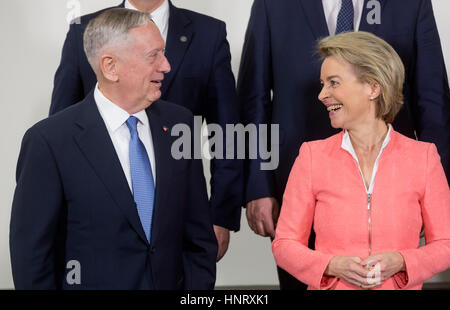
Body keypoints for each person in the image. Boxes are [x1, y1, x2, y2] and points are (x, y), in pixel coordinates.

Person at [238, 0, 450, 289]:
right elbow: (253, 99)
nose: (322, 94)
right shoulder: (272, 5)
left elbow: (433, 100)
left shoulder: (412, 4)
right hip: (290, 180)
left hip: (399, 185)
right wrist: (258, 185)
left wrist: (432, 196)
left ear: (375, 87)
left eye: (333, 83)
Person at [10, 8, 217, 290]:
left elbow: (198, 238)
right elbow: (32, 258)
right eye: (152, 55)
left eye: (163, 53)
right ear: (110, 66)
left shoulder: (181, 124)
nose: (166, 66)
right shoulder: (48, 142)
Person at [50, 0, 242, 262]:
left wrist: (221, 215)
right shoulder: (83, 30)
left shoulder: (209, 33)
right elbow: (62, 131)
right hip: (98, 220)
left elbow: (228, 133)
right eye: (154, 56)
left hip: (178, 216)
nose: (164, 66)